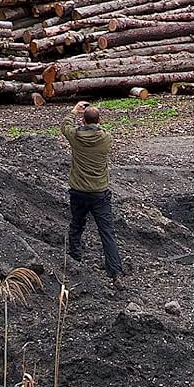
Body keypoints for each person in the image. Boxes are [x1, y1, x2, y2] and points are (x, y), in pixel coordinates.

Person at [60, 101, 124, 285]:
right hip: (100, 193)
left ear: (83, 120)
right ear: (99, 120)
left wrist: (74, 111)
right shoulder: (106, 138)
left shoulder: (75, 136)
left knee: (76, 226)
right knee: (107, 233)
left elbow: (65, 126)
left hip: (78, 191)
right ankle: (114, 273)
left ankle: (74, 260)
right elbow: (99, 130)